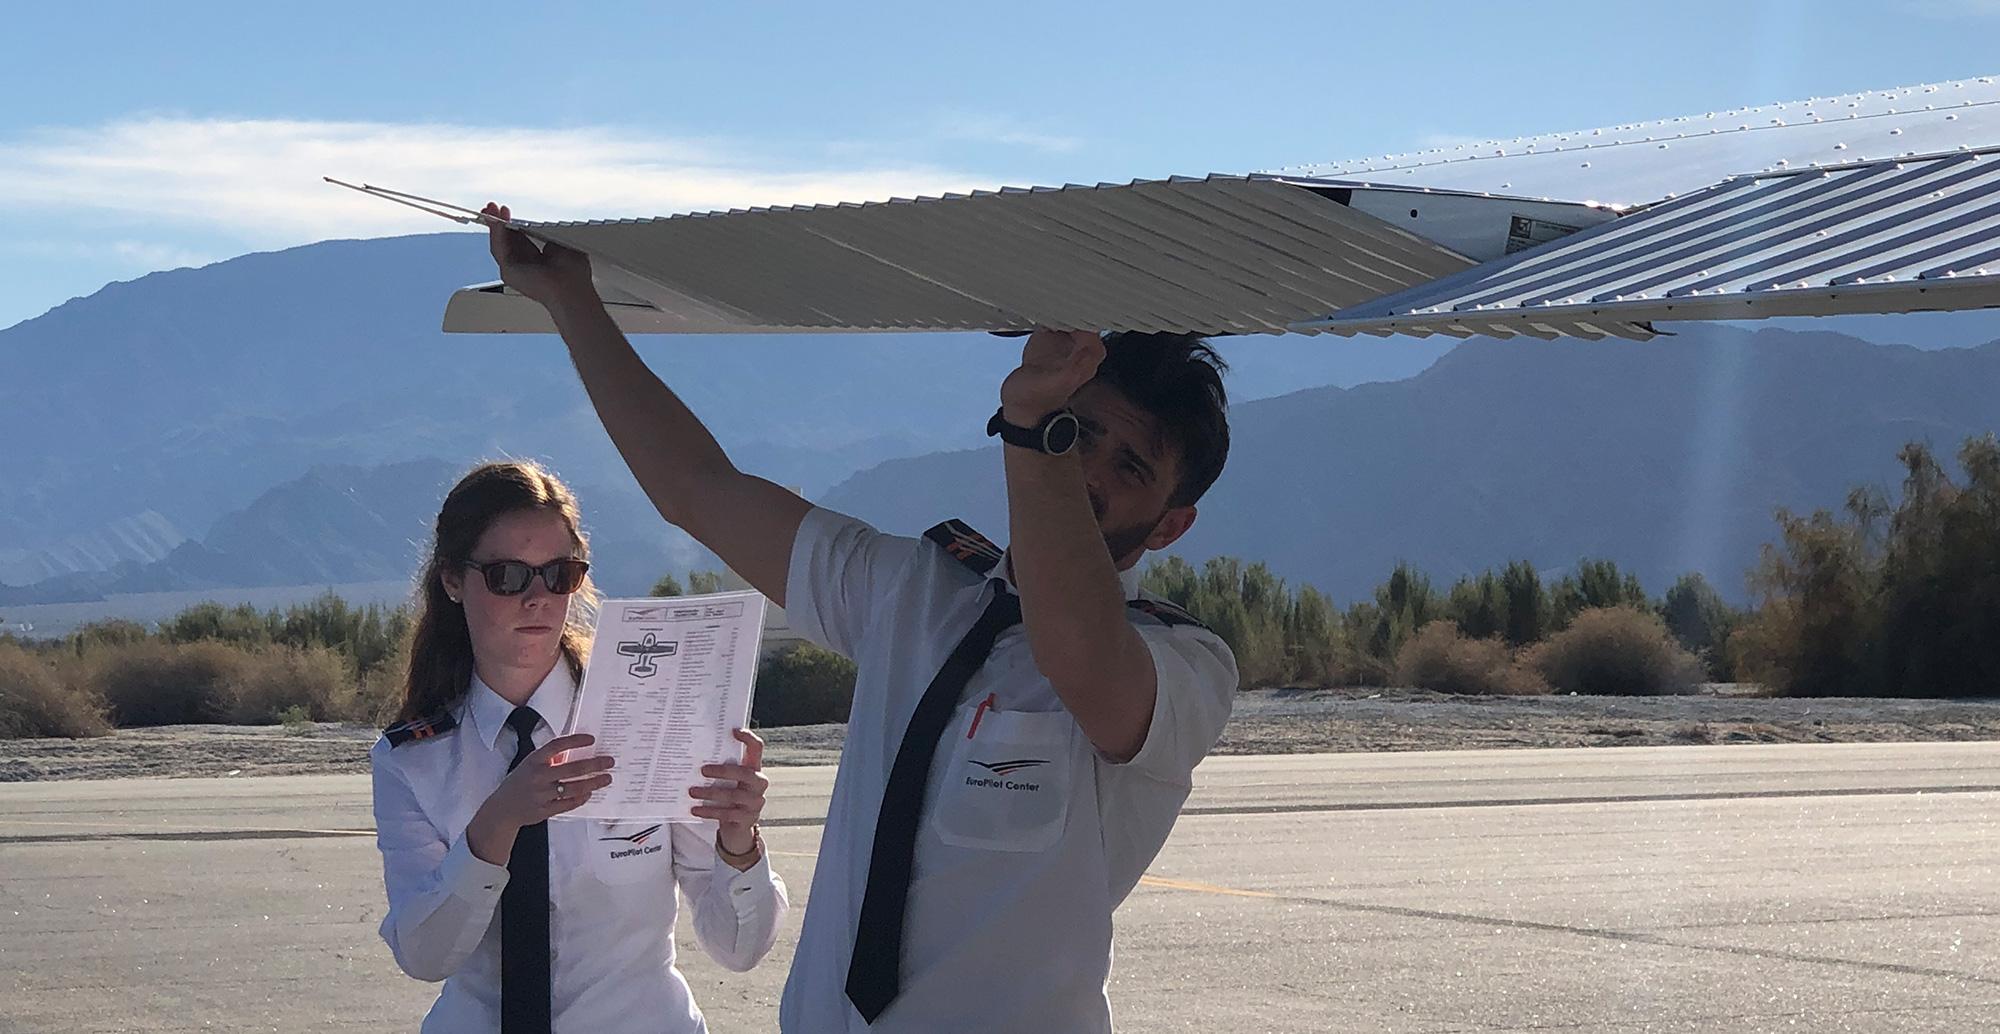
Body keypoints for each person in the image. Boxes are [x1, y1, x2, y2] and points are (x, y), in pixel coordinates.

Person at [482, 201, 1239, 1033]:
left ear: (1170, 525)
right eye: (1077, 433)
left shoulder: (1182, 666)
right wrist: (572, 300)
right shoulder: (915, 591)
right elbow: (697, 489)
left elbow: (1081, 657)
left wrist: (1036, 428)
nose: (1086, 469)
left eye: (1129, 466)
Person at [369, 459, 788, 1033]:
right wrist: (497, 823)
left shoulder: (654, 719)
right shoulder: (414, 759)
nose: (537, 597)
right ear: (452, 581)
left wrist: (739, 845)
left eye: (559, 574)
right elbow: (424, 956)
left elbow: (739, 947)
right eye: (508, 576)